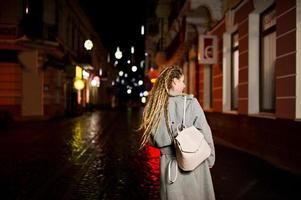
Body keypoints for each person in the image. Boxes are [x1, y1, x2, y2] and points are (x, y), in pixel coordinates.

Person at [139, 65, 215, 200]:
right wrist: (209, 159)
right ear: (174, 81)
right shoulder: (191, 103)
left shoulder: (155, 106)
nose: (184, 85)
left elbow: (152, 140)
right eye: (182, 81)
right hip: (194, 161)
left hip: (169, 166)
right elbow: (204, 130)